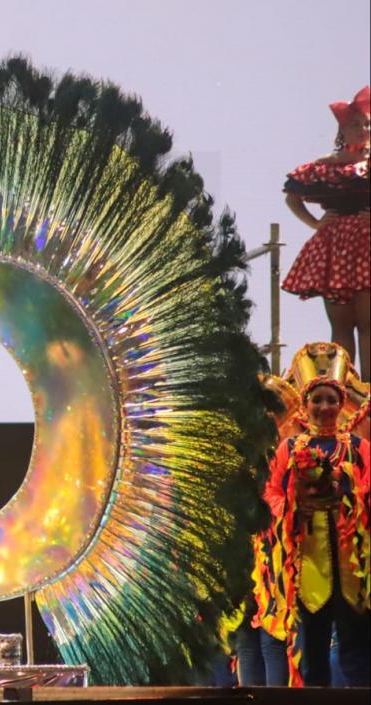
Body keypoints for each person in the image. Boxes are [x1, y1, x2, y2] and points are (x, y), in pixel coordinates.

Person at [260, 377, 370, 686]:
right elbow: (271, 493)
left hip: (354, 568)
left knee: (358, 653)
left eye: (331, 400)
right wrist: (293, 510)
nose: (324, 407)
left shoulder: (360, 449)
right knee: (313, 656)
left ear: (340, 406)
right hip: (310, 565)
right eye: (317, 400)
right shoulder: (290, 448)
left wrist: (351, 499)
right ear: (305, 406)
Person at [281, 86, 371, 381]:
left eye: (367, 125)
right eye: (356, 125)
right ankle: (344, 390)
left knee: (368, 321)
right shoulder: (324, 166)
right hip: (335, 245)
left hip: (367, 244)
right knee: (341, 323)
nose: (363, 130)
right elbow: (292, 195)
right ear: (343, 130)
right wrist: (316, 223)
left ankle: (368, 391)